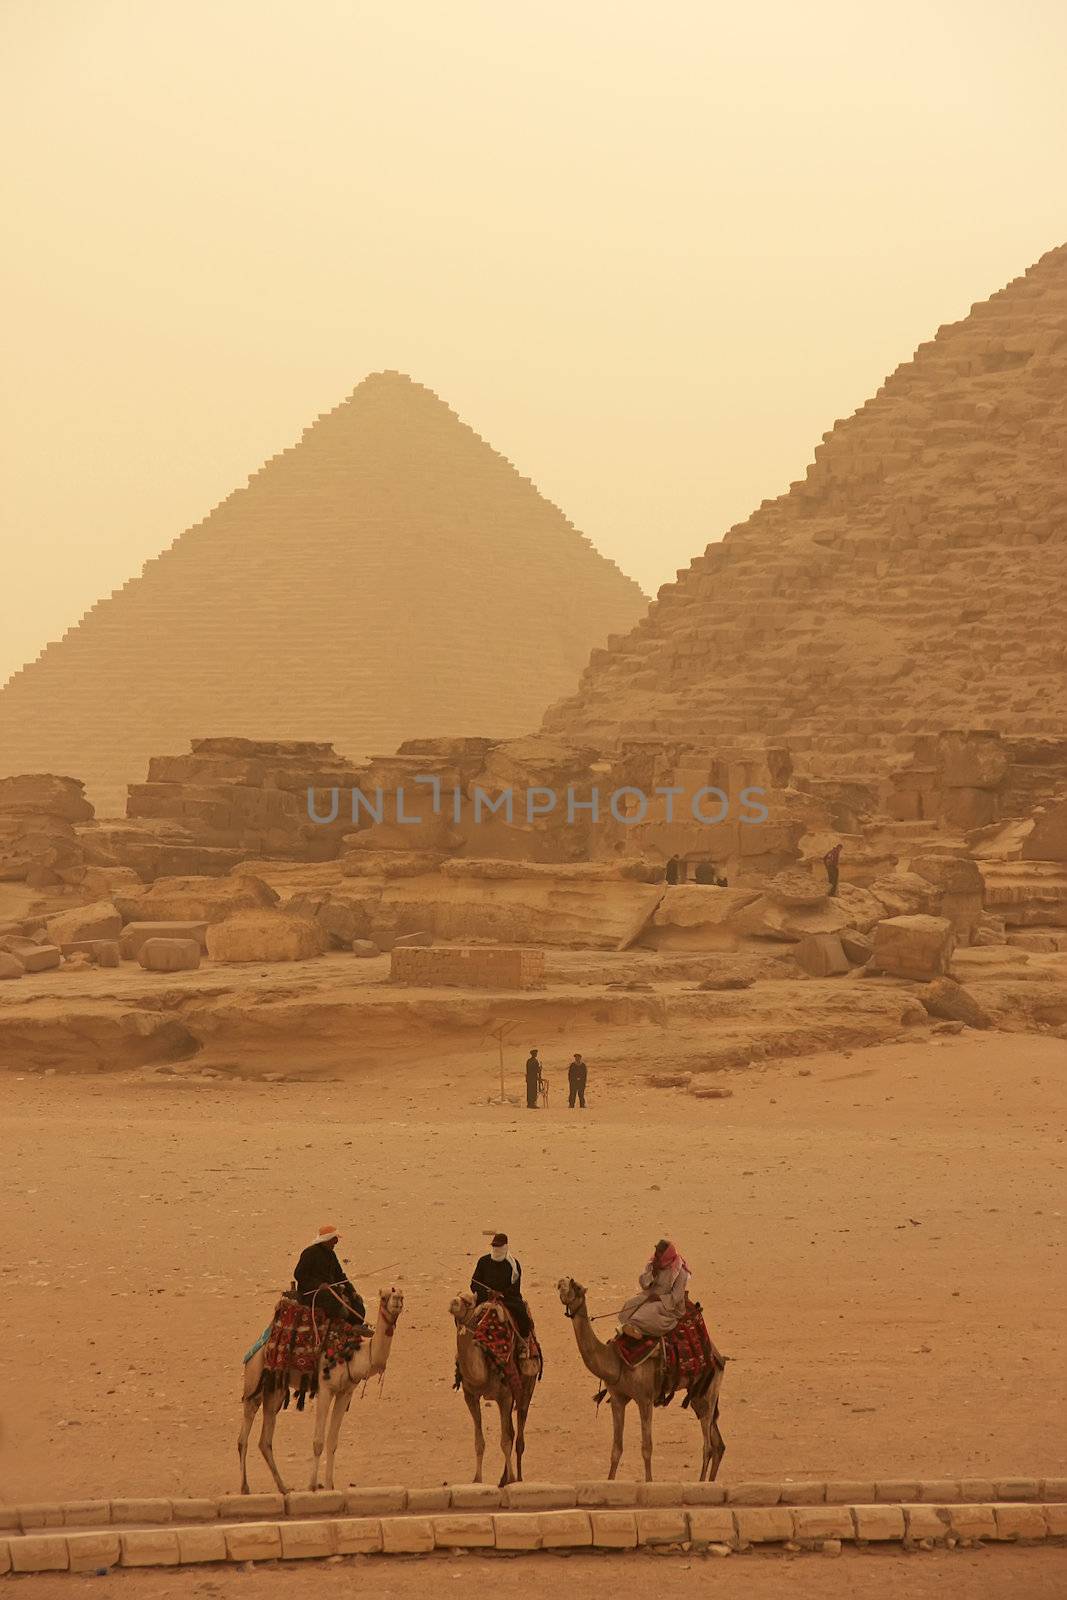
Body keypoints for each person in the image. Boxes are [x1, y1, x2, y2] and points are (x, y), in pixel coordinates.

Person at [617, 1239, 691, 1338]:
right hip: (650, 1297)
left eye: (659, 1253)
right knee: (631, 1303)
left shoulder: (679, 1271)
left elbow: (677, 1297)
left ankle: (635, 1329)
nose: (655, 1255)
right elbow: (644, 1284)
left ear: (665, 1255)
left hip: (669, 1305)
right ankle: (628, 1327)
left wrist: (659, 1298)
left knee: (649, 1310)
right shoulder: (654, 1264)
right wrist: (653, 1273)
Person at [292, 1225, 366, 1324]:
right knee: (335, 1304)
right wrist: (318, 1285)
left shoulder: (331, 1254)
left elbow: (339, 1275)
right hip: (312, 1293)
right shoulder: (310, 1253)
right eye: (334, 1239)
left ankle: (356, 1325)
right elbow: (299, 1274)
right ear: (328, 1239)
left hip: (331, 1290)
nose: (336, 1242)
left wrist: (352, 1291)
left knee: (357, 1301)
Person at [471, 1232, 533, 1339]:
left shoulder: (513, 1265)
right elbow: (474, 1283)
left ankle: (523, 1343)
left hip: (508, 1298)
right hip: (485, 1298)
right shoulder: (483, 1262)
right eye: (494, 1246)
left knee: (521, 1313)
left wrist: (501, 1294)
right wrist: (487, 1293)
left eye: (499, 1246)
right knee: (465, 1314)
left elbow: (515, 1287)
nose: (496, 1248)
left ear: (505, 1246)